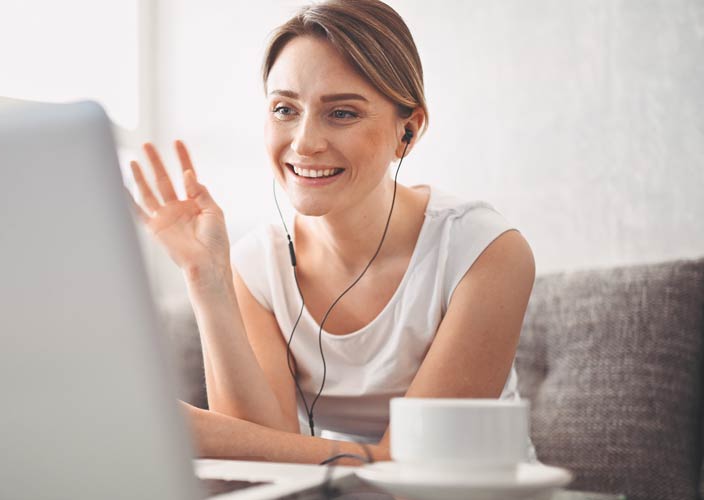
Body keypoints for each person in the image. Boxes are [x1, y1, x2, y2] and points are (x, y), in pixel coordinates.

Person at [128, 0, 535, 465]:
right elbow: (263, 455)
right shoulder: (257, 265)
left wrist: (217, 437)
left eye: (341, 113)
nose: (304, 142)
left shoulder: (483, 251)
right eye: (285, 109)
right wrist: (207, 279)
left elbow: (422, 466)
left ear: (409, 130)